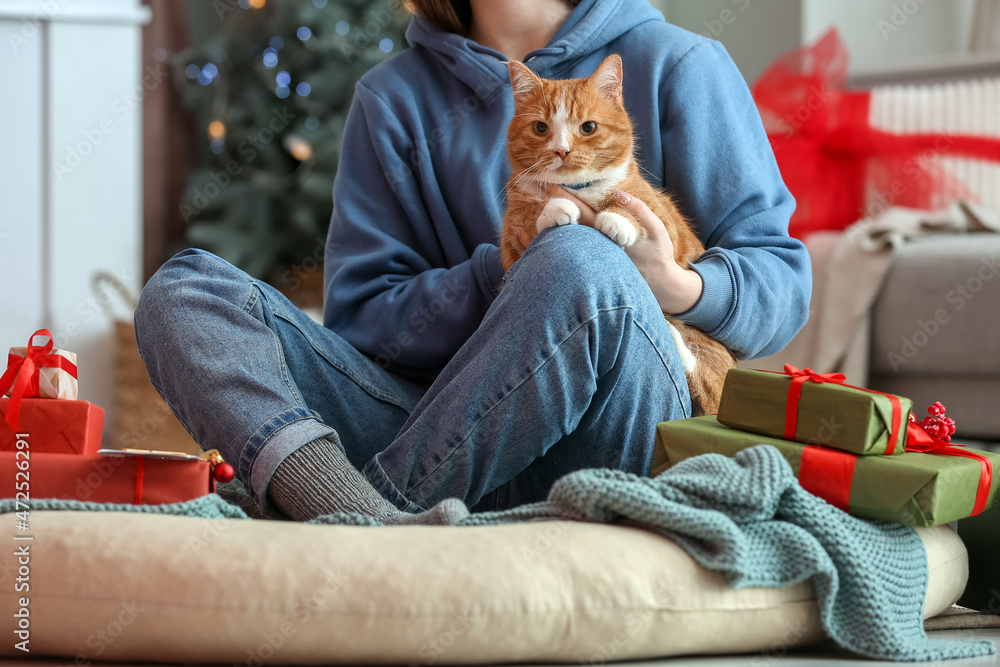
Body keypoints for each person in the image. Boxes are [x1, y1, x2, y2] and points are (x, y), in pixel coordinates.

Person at [135, 0, 811, 522]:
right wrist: (504, 277)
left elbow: (782, 278)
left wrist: (675, 285)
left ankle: (356, 532)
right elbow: (363, 323)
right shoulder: (390, 99)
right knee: (183, 293)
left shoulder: (675, 61)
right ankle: (378, 522)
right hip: (434, 423)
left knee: (578, 257)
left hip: (605, 437)